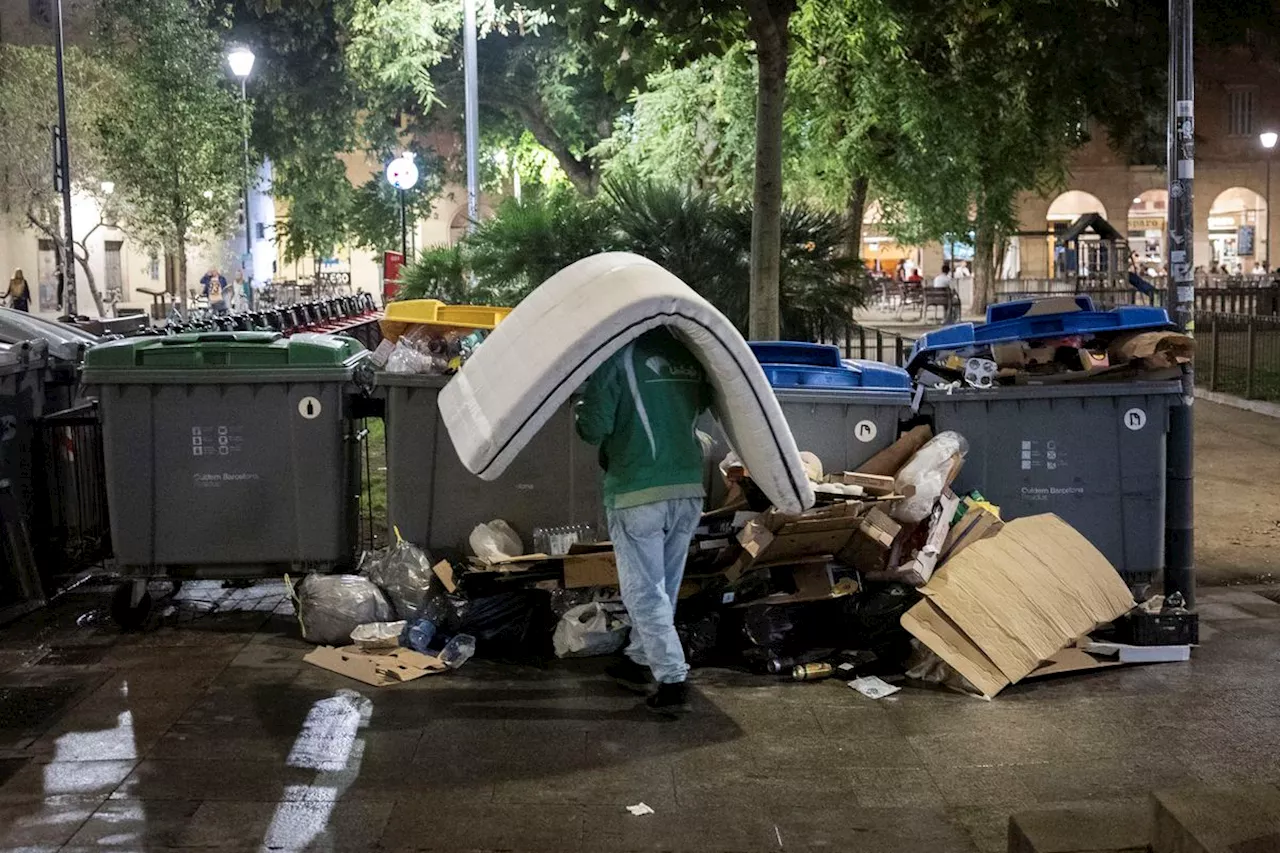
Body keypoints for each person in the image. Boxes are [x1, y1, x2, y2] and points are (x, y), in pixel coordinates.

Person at [574, 327, 712, 717]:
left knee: (643, 590)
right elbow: (702, 405)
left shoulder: (617, 357)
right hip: (687, 486)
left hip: (638, 491)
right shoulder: (687, 355)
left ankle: (672, 679)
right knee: (664, 584)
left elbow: (592, 428)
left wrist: (581, 408)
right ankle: (638, 657)